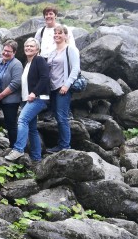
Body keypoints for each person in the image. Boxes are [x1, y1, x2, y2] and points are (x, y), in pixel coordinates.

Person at [5, 38, 51, 163]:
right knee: (32, 128)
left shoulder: (39, 60)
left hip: (38, 98)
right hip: (27, 99)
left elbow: (45, 77)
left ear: (37, 49)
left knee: (22, 119)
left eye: (31, 46)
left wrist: (34, 92)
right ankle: (37, 158)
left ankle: (19, 149)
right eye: (26, 46)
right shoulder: (28, 62)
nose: (28, 48)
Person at [46, 25, 81, 153]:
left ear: (66, 35)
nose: (57, 35)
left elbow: (76, 69)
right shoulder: (53, 52)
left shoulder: (71, 49)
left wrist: (67, 85)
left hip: (63, 88)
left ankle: (65, 146)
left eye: (60, 33)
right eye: (55, 33)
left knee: (62, 117)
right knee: (57, 116)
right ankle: (61, 144)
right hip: (53, 88)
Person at [0, 40, 23, 148]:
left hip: (10, 98)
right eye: (5, 50)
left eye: (9, 51)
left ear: (14, 53)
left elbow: (16, 83)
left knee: (11, 124)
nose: (6, 53)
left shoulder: (17, 64)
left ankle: (14, 147)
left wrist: (2, 95)